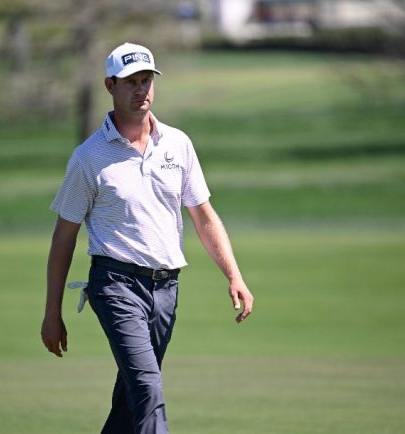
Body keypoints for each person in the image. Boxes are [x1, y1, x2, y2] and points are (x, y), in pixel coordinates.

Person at [41, 42, 254, 434]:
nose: (141, 90)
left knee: (130, 400)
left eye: (146, 81)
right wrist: (52, 312)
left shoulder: (178, 144)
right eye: (131, 82)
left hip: (166, 289)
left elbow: (204, 216)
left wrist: (234, 275)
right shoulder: (89, 158)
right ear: (110, 86)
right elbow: (63, 239)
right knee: (148, 389)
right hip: (116, 285)